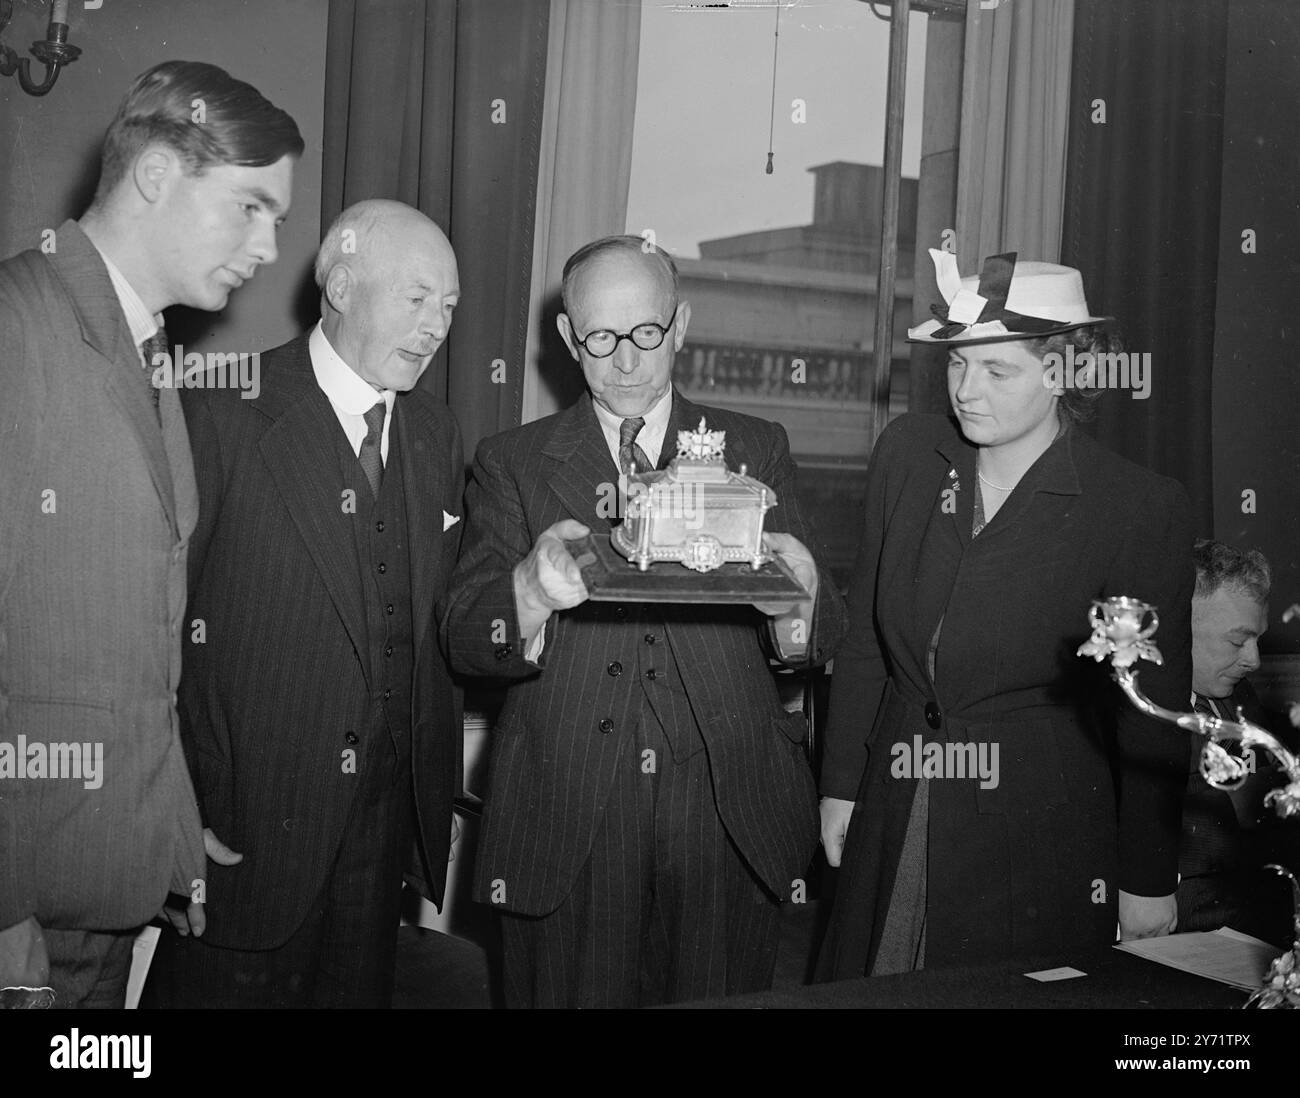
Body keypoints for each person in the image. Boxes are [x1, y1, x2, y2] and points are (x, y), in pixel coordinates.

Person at [443, 234, 846, 1007]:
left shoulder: (756, 450)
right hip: (569, 816)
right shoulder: (512, 462)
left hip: (726, 821)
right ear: (567, 338)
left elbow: (825, 637)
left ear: (681, 324)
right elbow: (465, 637)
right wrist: (526, 592)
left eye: (646, 334)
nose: (625, 360)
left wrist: (798, 607)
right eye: (601, 337)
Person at [0, 60, 301, 1009]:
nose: (268, 247)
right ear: (159, 173)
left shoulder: (150, 352)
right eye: (252, 207)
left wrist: (165, 820)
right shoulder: (16, 326)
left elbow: (132, 640)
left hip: (108, 884)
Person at [817, 251, 1195, 978]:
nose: (965, 391)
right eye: (959, 365)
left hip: (1035, 826)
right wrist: (840, 784)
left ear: (1061, 374)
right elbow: (864, 634)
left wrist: (1147, 878)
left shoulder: (1137, 508)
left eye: (998, 371)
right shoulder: (907, 456)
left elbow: (1152, 711)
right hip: (894, 795)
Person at [142, 201, 465, 1008]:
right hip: (240, 840)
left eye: (450, 309)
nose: (436, 327)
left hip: (379, 850)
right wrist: (163, 810)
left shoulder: (434, 431)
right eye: (418, 298)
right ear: (344, 287)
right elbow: (146, 631)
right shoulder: (214, 406)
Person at [1178, 539, 1298, 945]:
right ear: (1179, 626)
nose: (1254, 660)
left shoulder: (1237, 694)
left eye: (1257, 639)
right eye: (1236, 641)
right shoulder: (1133, 711)